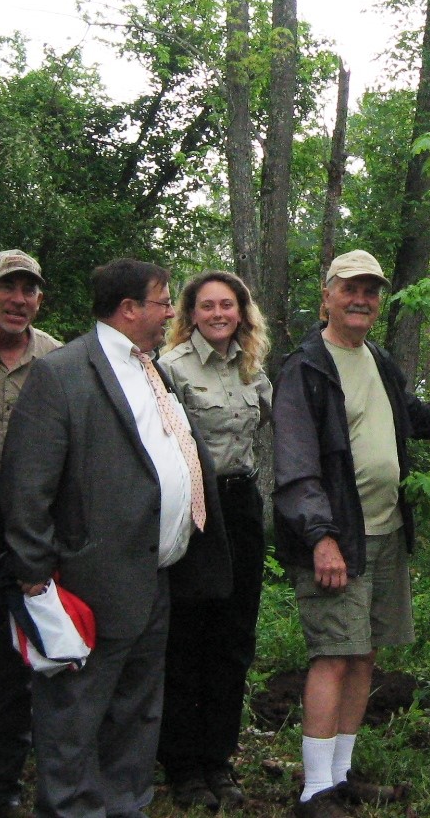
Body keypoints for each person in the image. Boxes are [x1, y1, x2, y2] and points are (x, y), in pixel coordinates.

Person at [274, 249, 430, 818]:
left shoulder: (378, 360)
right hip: (337, 539)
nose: (362, 300)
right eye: (351, 289)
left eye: (372, 291)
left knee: (363, 656)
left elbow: (416, 418)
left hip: (385, 531)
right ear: (327, 294)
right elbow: (296, 468)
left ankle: (341, 776)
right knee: (333, 655)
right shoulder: (305, 367)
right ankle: (313, 793)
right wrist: (321, 538)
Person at [0, 259, 232, 818]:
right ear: (129, 309)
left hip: (154, 578)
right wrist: (36, 578)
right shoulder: (64, 373)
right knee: (75, 716)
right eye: (163, 301)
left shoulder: (154, 369)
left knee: (136, 712)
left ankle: (126, 806)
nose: (172, 312)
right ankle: (73, 810)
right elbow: (25, 485)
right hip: (88, 584)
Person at [156, 271, 274, 810]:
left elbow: (274, 429)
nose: (219, 314)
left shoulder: (253, 369)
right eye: (208, 306)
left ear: (242, 312)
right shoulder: (171, 369)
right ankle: (182, 766)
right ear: (191, 313)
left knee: (233, 638)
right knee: (188, 639)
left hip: (242, 508)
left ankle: (218, 760)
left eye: (228, 305)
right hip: (195, 510)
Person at [0, 248, 63, 818]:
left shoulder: (57, 358)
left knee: (13, 667)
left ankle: (2, 784)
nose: (19, 299)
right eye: (9, 287)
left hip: (26, 534)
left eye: (29, 290)